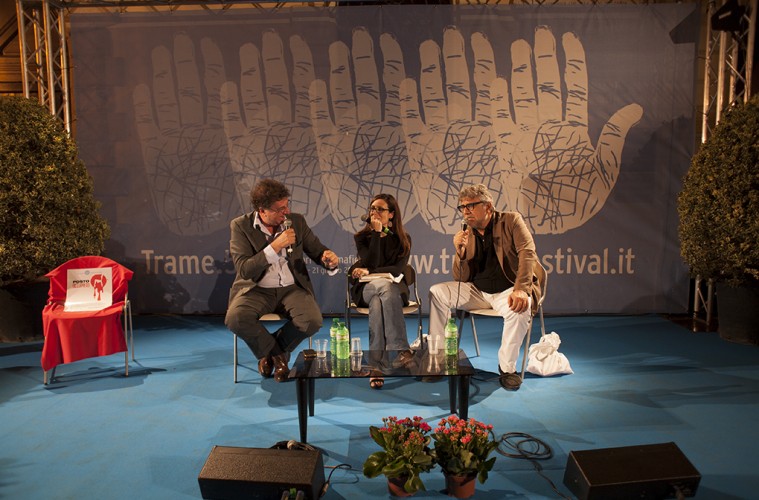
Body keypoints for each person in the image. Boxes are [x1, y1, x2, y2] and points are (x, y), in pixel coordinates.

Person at [428, 184, 542, 391]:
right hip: (478, 291)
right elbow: (460, 277)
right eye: (462, 208)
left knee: (521, 308)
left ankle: (507, 369)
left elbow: (528, 252)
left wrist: (521, 289)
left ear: (488, 206)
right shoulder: (466, 233)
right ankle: (438, 359)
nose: (465, 212)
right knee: (437, 292)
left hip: (508, 289)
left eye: (471, 206)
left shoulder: (511, 220)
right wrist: (459, 252)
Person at [225, 179, 339, 382]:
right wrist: (274, 247)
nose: (285, 212)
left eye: (287, 205)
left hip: (291, 288)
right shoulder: (240, 226)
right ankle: (279, 357)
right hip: (257, 288)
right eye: (279, 209)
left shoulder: (296, 221)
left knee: (312, 321)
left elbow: (317, 250)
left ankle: (269, 355)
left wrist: (327, 259)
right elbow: (244, 269)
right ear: (262, 210)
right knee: (235, 318)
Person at [348, 194, 413, 389]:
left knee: (380, 298)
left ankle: (376, 366)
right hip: (366, 289)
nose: (374, 212)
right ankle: (402, 349)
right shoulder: (362, 237)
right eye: (372, 208)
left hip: (393, 291)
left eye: (380, 209)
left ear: (391, 214)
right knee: (382, 288)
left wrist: (369, 271)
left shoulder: (403, 239)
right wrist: (376, 234)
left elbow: (397, 269)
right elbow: (371, 261)